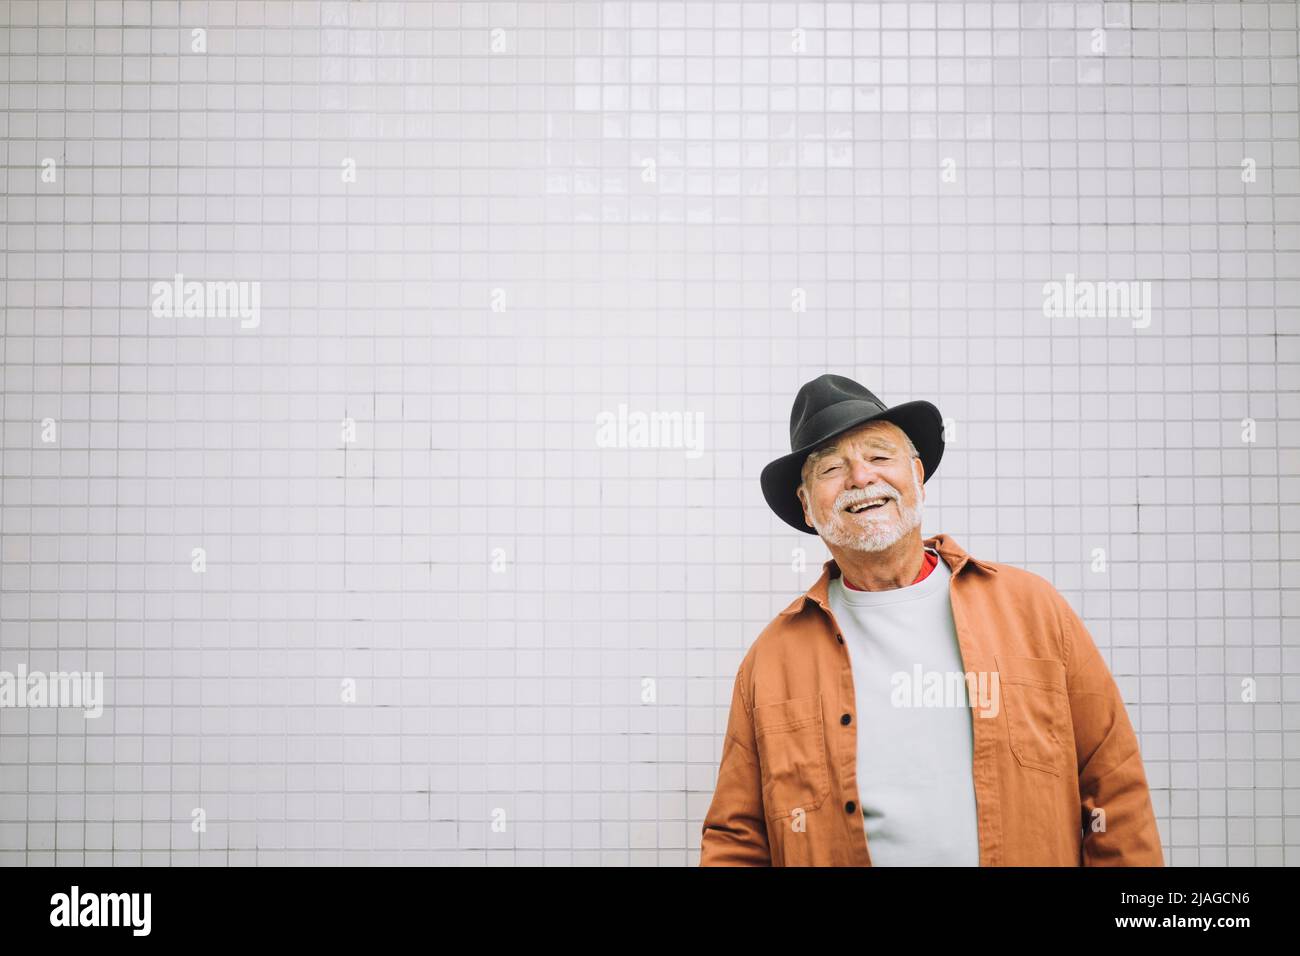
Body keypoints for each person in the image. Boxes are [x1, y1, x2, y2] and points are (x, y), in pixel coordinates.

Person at [699, 373, 1164, 866]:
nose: (860, 477)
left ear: (917, 476)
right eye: (831, 468)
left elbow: (1114, 786)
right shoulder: (771, 660)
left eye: (879, 456)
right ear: (807, 507)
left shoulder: (1034, 609)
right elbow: (738, 839)